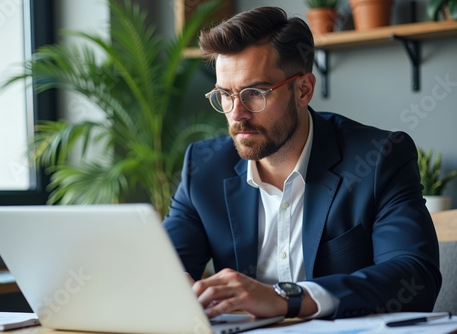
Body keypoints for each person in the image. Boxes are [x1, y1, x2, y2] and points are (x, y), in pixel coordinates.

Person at [163, 6, 441, 320]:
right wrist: (165, 284)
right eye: (225, 94)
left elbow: (415, 279)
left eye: (255, 93)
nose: (237, 114)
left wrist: (285, 298)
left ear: (303, 89)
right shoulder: (203, 168)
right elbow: (162, 268)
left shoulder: (378, 158)